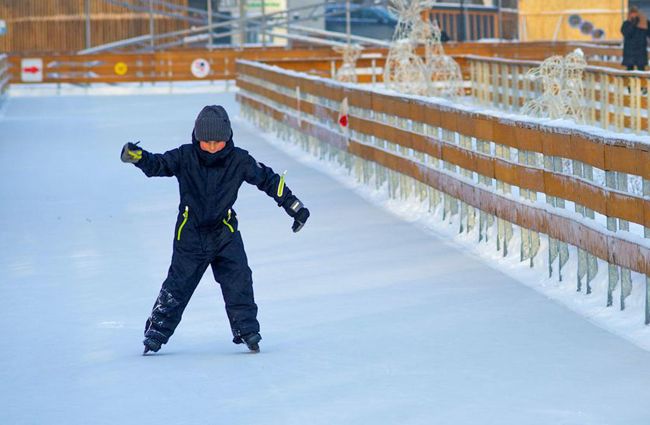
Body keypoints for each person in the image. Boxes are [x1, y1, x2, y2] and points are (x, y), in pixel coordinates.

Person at [120, 105, 310, 354]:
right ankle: (156, 332)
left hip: (225, 233)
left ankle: (248, 331)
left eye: (217, 142)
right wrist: (139, 157)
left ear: (228, 138)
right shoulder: (184, 156)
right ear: (197, 138)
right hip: (190, 235)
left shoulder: (239, 160)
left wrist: (294, 207)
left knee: (239, 279)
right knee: (178, 285)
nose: (211, 147)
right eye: (206, 142)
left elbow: (269, 180)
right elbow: (159, 164)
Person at [621, 6, 649, 72]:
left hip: (640, 51)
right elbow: (626, 33)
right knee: (629, 71)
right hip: (630, 52)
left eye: (635, 13)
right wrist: (634, 23)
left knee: (641, 71)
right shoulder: (626, 24)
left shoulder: (644, 23)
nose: (633, 15)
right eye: (632, 13)